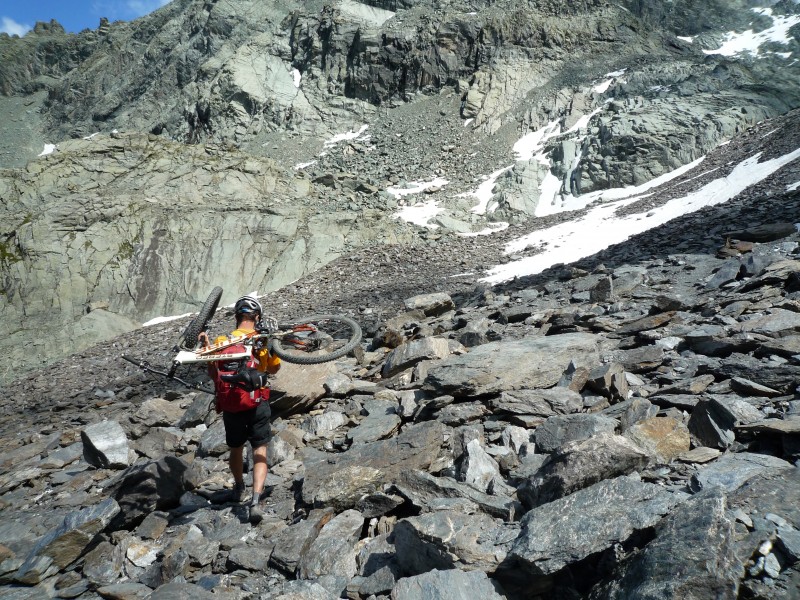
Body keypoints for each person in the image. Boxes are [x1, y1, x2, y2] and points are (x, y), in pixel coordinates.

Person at [200, 295, 281, 524]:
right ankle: (255, 500)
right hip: (257, 403)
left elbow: (214, 375)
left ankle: (238, 487)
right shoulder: (261, 341)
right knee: (260, 450)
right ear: (257, 318)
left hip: (232, 405)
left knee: (235, 449)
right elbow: (274, 370)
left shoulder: (223, 341)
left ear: (237, 317)